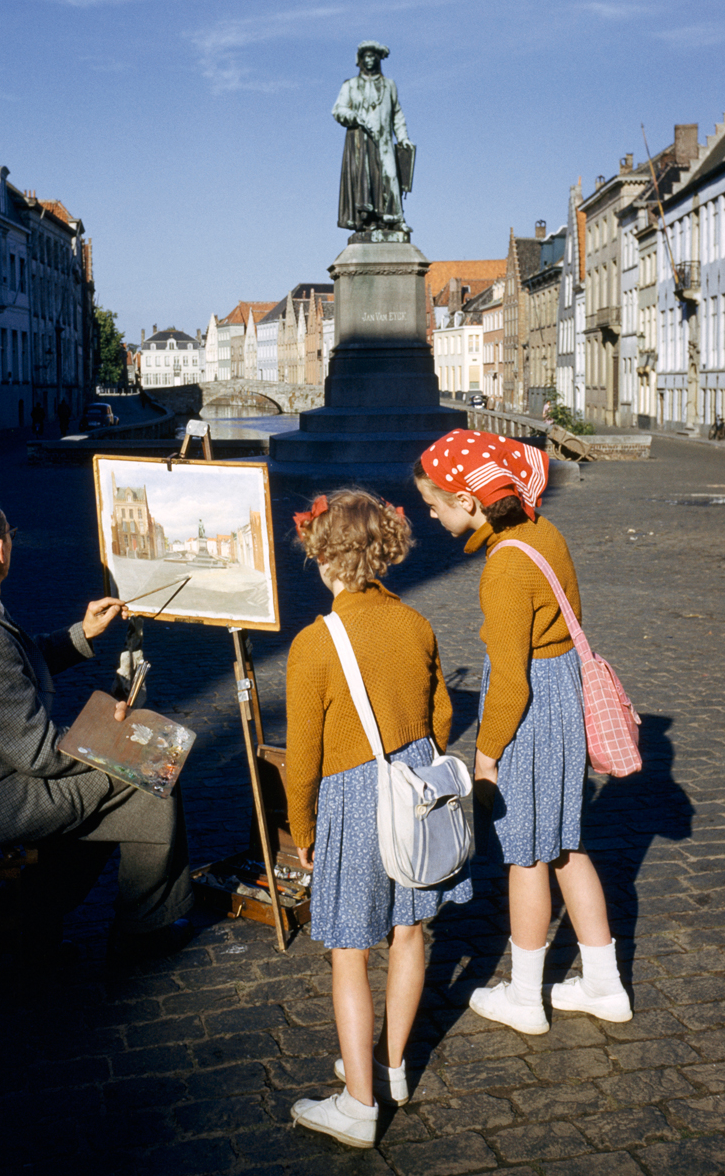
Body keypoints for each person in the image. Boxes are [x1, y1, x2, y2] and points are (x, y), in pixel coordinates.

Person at [0, 490, 193, 960]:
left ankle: (17, 930)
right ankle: (145, 931)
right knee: (155, 765)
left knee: (123, 782)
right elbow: (39, 754)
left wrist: (81, 635)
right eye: (10, 535)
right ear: (0, 549)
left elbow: (14, 664)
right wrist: (114, 742)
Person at [413, 430, 631, 1033]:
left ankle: (526, 996)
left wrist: (486, 755)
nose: (429, 513)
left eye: (435, 502)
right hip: (562, 699)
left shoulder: (504, 567)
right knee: (566, 845)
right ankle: (605, 984)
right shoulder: (543, 534)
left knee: (526, 856)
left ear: (471, 499)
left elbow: (509, 682)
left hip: (530, 714)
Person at [286, 490, 472, 1149]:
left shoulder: (316, 642)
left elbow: (302, 758)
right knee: (410, 932)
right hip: (414, 786)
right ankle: (391, 1068)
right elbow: (442, 716)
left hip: (353, 797)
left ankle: (359, 1105)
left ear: (322, 553)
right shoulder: (416, 623)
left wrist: (302, 830)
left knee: (347, 952)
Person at [332, 42, 413, 233]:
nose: (369, 60)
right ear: (360, 60)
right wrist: (353, 117)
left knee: (390, 176)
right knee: (365, 180)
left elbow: (397, 114)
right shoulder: (350, 85)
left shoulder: (389, 85)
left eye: (373, 56)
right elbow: (338, 110)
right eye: (366, 56)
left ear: (378, 59)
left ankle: (394, 220)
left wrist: (403, 138)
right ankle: (369, 221)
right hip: (360, 140)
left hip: (384, 141)